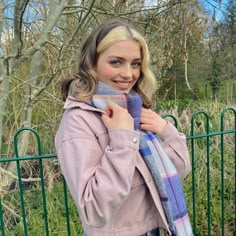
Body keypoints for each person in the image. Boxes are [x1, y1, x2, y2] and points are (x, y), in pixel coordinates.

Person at [55, 19, 193, 236]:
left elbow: (181, 170)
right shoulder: (78, 122)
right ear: (92, 63)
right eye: (116, 62)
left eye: (135, 64)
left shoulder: (135, 109)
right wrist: (121, 139)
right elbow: (93, 210)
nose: (129, 74)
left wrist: (167, 130)